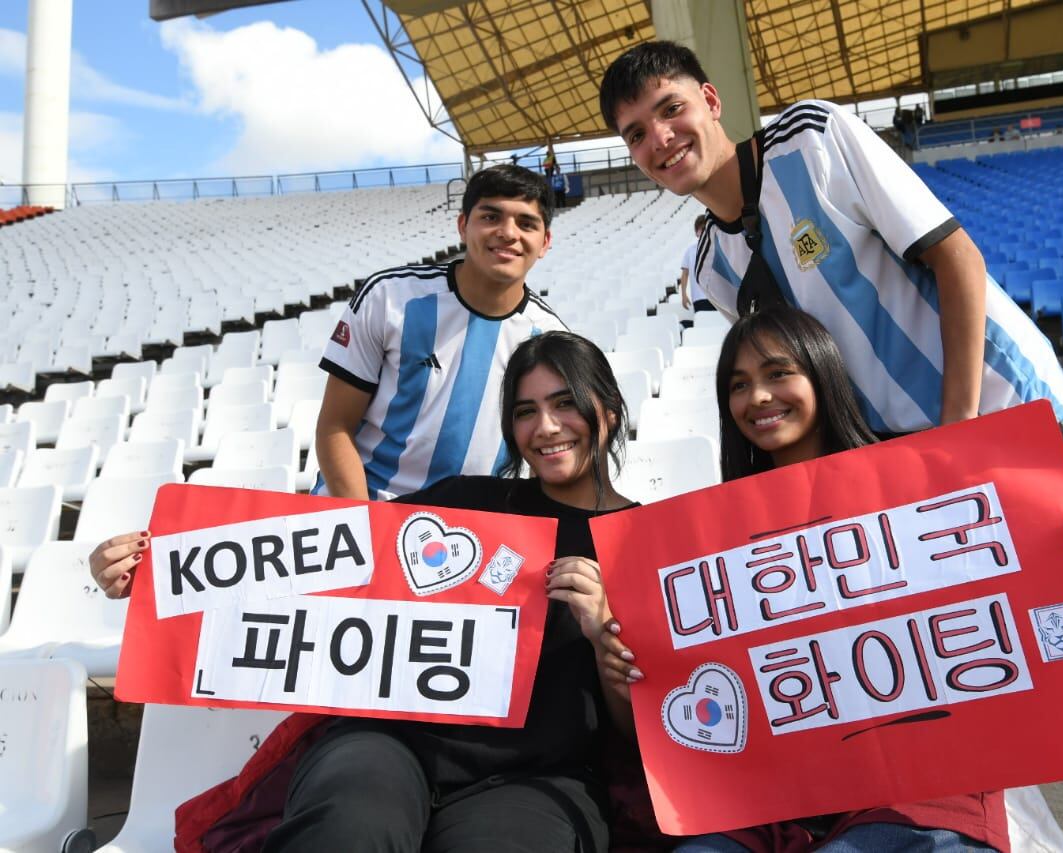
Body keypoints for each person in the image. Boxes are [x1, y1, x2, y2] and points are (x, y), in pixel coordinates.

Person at [598, 41, 1063, 852]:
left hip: (995, 427)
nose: (658, 139)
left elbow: (955, 256)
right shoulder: (711, 262)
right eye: (634, 133)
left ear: (712, 102)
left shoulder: (816, 139)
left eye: (669, 110)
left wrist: (960, 437)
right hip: (897, 482)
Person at [598, 306, 1063, 853]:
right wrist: (617, 661)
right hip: (766, 802)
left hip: (917, 793)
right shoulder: (703, 541)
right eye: (739, 385)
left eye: (778, 374)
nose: (757, 396)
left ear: (822, 375)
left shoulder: (916, 494)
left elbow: (1005, 619)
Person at [90, 331, 637, 853]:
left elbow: (639, 725)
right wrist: (153, 569)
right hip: (385, 745)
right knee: (346, 831)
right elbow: (311, 563)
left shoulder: (646, 543)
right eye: (525, 412)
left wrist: (603, 632)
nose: (545, 427)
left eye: (565, 403)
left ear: (608, 409)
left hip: (536, 777)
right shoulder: (463, 501)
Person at [314, 163, 566, 502]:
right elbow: (335, 426)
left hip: (470, 531)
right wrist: (363, 523)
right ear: (463, 226)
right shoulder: (388, 298)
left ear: (545, 241)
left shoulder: (551, 339)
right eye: (490, 217)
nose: (508, 233)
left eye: (526, 223)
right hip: (368, 508)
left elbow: (546, 458)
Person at [679, 214, 714, 313]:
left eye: (705, 228)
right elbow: (685, 274)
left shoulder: (717, 247)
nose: (703, 231)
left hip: (717, 296)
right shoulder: (690, 251)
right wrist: (683, 294)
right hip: (699, 297)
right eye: (700, 229)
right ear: (696, 232)